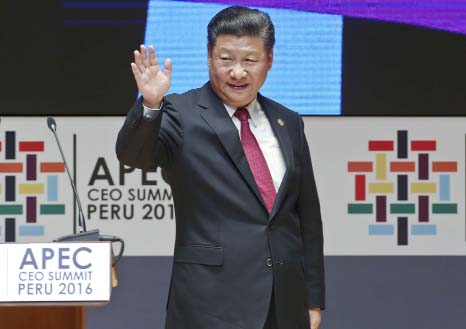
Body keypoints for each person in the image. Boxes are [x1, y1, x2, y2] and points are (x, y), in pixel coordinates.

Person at [116, 6, 325, 329]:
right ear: (209, 56)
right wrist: (150, 105)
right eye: (225, 59)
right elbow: (135, 156)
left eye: (250, 61)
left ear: (269, 59)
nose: (237, 72)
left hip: (283, 305)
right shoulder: (180, 113)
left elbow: (306, 216)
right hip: (209, 305)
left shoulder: (288, 122)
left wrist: (312, 299)